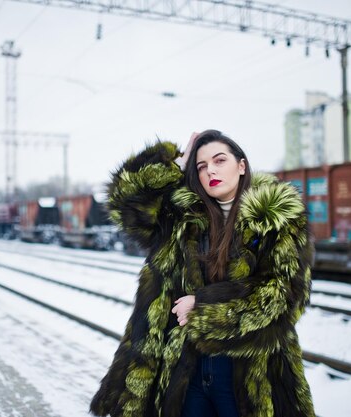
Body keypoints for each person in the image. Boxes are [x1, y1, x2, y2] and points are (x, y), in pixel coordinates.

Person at [90, 129, 315, 417]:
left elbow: (286, 296)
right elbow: (126, 203)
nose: (211, 170)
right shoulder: (179, 218)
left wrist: (203, 308)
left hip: (250, 374)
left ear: (241, 165)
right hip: (183, 371)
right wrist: (176, 164)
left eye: (220, 160)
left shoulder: (275, 218)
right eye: (202, 166)